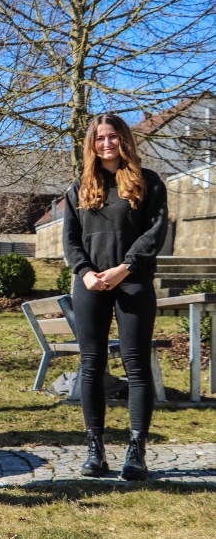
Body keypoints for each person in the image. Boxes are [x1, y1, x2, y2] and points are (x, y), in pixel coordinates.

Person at [63, 113, 168, 481]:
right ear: (91, 144)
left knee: (136, 365)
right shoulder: (79, 187)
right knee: (91, 365)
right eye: (100, 138)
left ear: (125, 139)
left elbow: (155, 233)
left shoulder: (148, 183)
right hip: (91, 285)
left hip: (133, 281)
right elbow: (71, 239)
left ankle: (136, 449)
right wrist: (85, 272)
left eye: (113, 137)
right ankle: (96, 448)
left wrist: (125, 267)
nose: (106, 143)